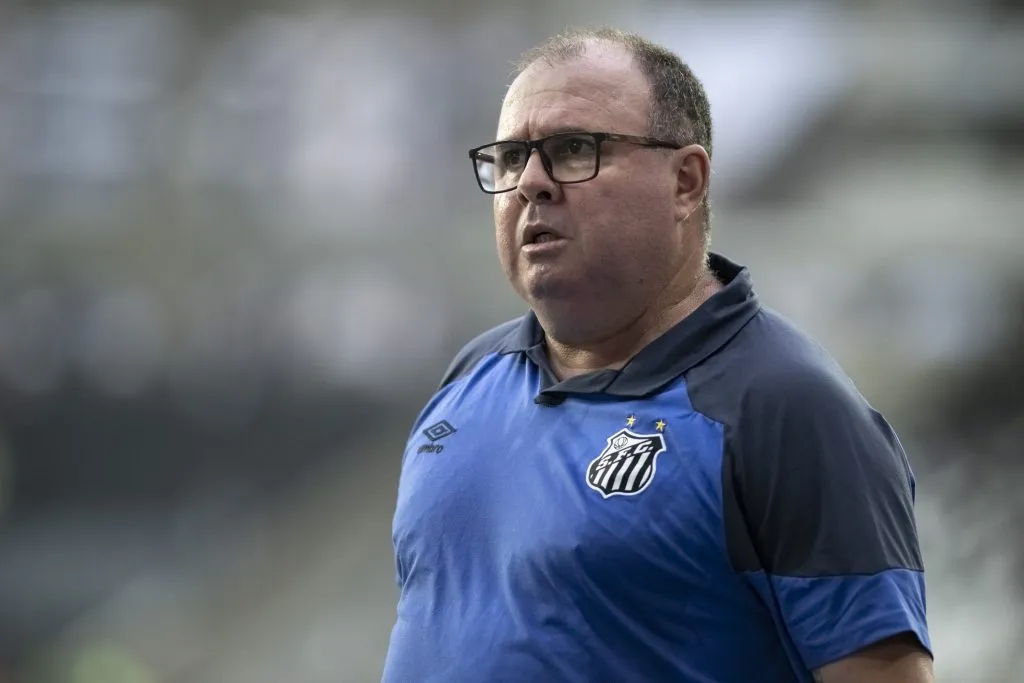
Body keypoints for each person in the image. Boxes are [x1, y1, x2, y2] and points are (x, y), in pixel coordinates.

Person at [382, 28, 933, 683]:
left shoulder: (785, 408)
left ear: (686, 181)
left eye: (573, 149)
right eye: (508, 158)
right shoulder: (470, 379)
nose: (530, 182)